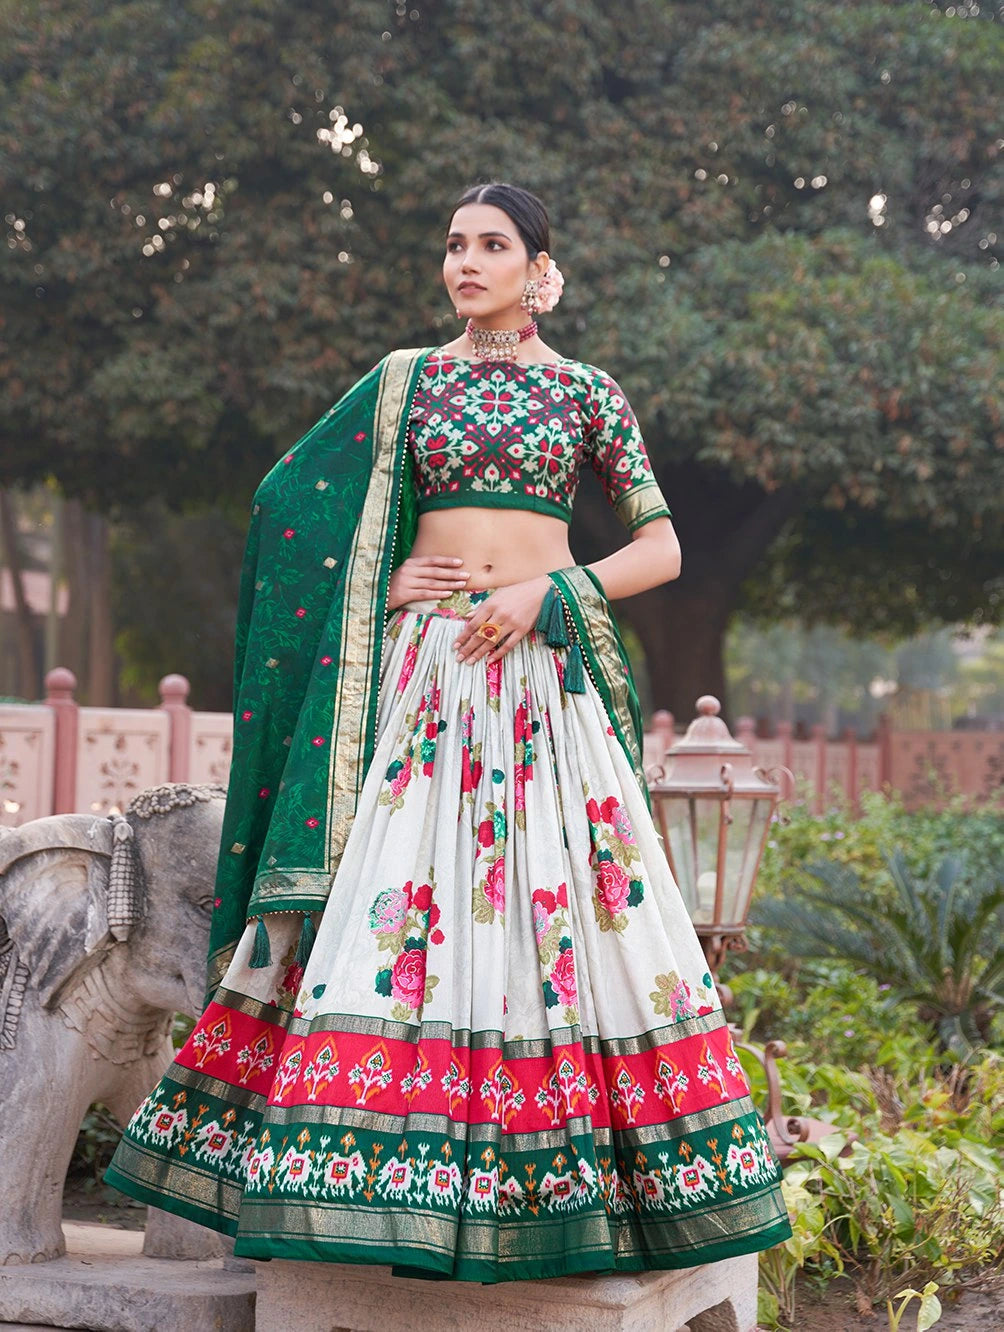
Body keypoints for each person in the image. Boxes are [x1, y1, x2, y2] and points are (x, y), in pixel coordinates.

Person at [105, 182, 792, 1281]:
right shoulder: (403, 382)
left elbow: (658, 547)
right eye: (453, 245)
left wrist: (550, 593)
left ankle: (561, 1194)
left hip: (544, 681)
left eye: (491, 245)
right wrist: (377, 586)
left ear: (539, 265)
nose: (465, 263)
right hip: (429, 679)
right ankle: (380, 1187)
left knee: (554, 916)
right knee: (408, 908)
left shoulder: (585, 393)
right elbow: (289, 509)